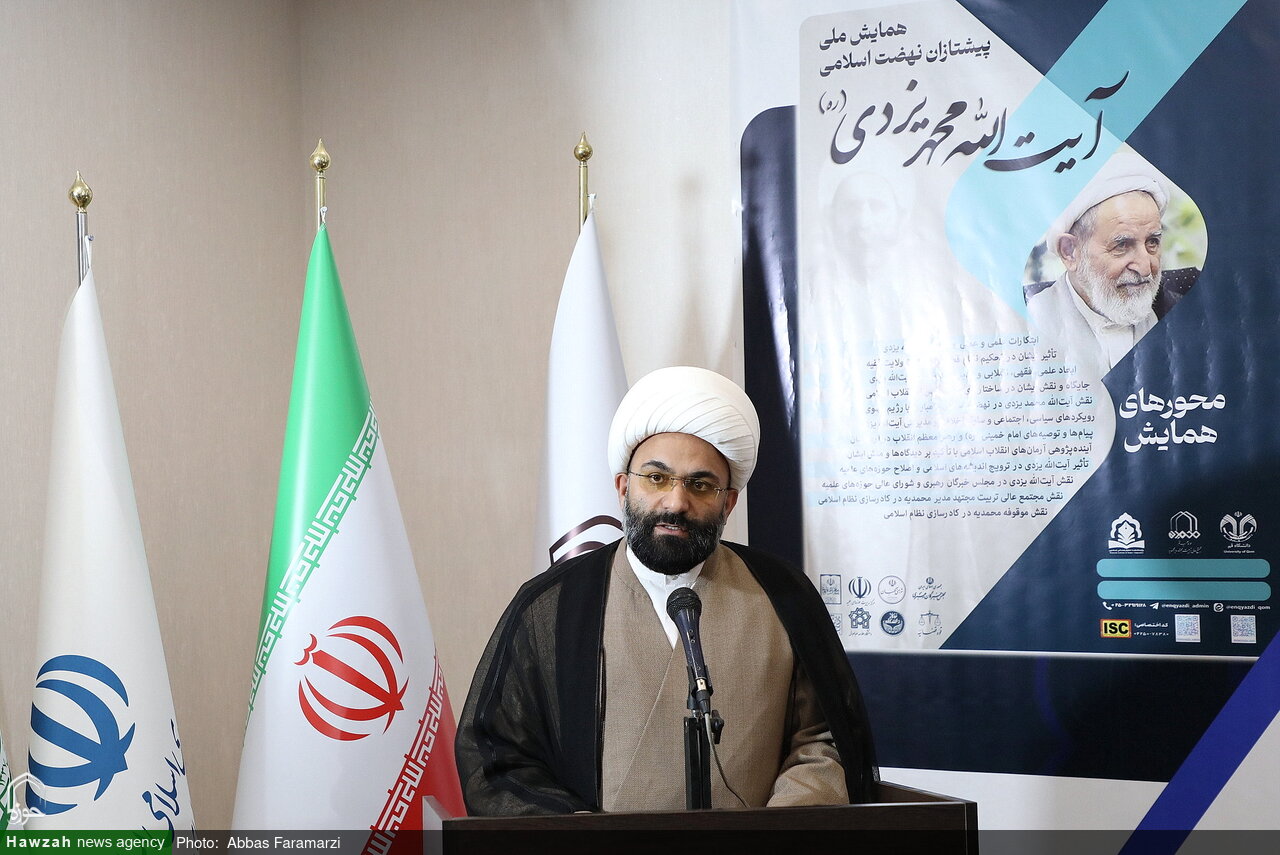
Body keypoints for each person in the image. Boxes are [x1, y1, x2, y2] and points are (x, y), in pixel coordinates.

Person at [456, 366, 877, 815]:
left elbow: (824, 738)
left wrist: (775, 834)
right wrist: (581, 837)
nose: (676, 502)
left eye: (701, 485)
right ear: (623, 487)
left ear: (728, 502)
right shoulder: (554, 606)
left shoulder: (783, 595)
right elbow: (496, 756)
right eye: (656, 478)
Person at [1026, 152, 1177, 377]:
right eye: (1122, 245)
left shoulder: (1181, 312)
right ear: (1070, 252)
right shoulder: (1028, 324)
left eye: (1152, 242)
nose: (1146, 267)